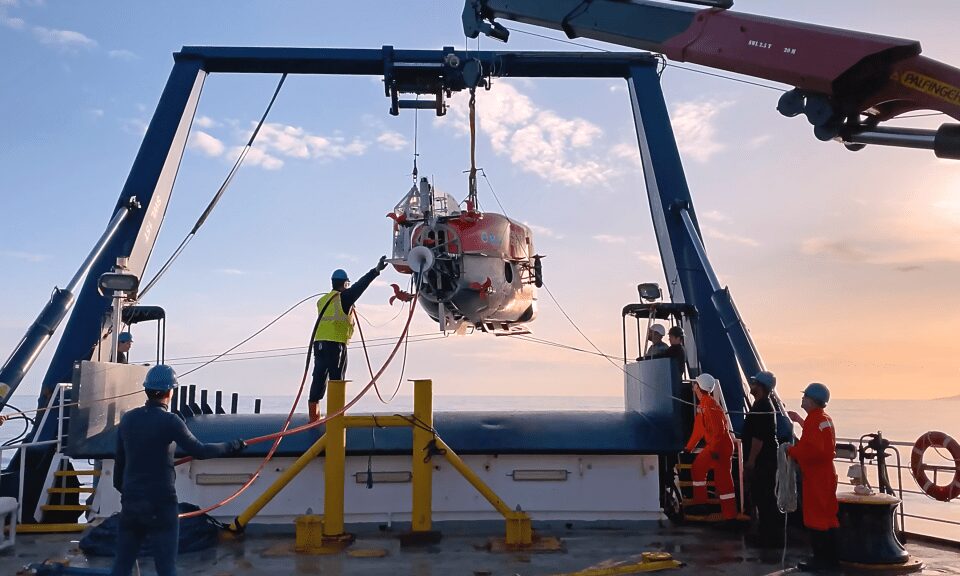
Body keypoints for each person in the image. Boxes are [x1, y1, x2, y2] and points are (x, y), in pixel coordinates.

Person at [111, 364, 245, 576]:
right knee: (166, 569)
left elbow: (119, 464)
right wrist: (232, 446)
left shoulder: (128, 419)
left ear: (146, 390)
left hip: (131, 505)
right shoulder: (170, 421)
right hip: (161, 506)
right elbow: (200, 450)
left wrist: (127, 494)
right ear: (170, 392)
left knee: (121, 566)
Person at [309, 256, 389, 422]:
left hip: (319, 345)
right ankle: (336, 419)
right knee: (337, 380)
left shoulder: (322, 300)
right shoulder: (343, 298)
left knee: (318, 378)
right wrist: (376, 271)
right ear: (345, 284)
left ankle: (314, 417)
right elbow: (360, 286)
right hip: (336, 345)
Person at [787, 382, 840, 572]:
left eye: (804, 397)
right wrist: (800, 421)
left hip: (816, 477)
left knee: (815, 518)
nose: (802, 399)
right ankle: (832, 558)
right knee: (829, 516)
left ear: (811, 400)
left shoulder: (813, 421)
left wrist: (791, 451)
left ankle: (820, 560)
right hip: (827, 474)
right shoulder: (823, 419)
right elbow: (817, 440)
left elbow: (812, 450)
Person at [684, 373, 737, 520]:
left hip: (720, 447)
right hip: (717, 445)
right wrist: (689, 448)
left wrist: (713, 450)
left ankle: (730, 515)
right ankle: (701, 503)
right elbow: (699, 430)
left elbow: (718, 430)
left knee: (723, 480)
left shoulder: (709, 405)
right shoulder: (704, 405)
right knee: (698, 468)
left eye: (695, 384)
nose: (693, 387)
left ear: (698, 387)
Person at [742, 370, 784, 548]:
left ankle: (771, 538)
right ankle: (767, 534)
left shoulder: (762, 407)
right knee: (763, 497)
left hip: (763, 461)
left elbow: (758, 439)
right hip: (766, 459)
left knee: (764, 497)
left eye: (754, 384)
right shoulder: (762, 404)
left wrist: (751, 461)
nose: (751, 386)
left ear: (760, 387)